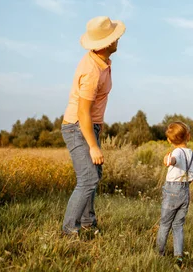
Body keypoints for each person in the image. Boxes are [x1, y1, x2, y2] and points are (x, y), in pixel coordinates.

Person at [60, 15, 125, 237]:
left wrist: (99, 128)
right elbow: (82, 112)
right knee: (88, 178)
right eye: (115, 37)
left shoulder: (102, 62)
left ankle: (88, 222)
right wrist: (93, 145)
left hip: (90, 126)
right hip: (78, 126)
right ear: (106, 43)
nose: (118, 40)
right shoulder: (91, 71)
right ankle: (69, 230)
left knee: (94, 174)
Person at [156, 121, 193, 267]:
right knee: (178, 225)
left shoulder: (176, 153)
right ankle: (178, 256)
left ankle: (159, 254)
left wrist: (168, 160)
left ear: (169, 140)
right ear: (188, 136)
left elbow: (173, 160)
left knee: (164, 224)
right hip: (185, 190)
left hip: (172, 190)